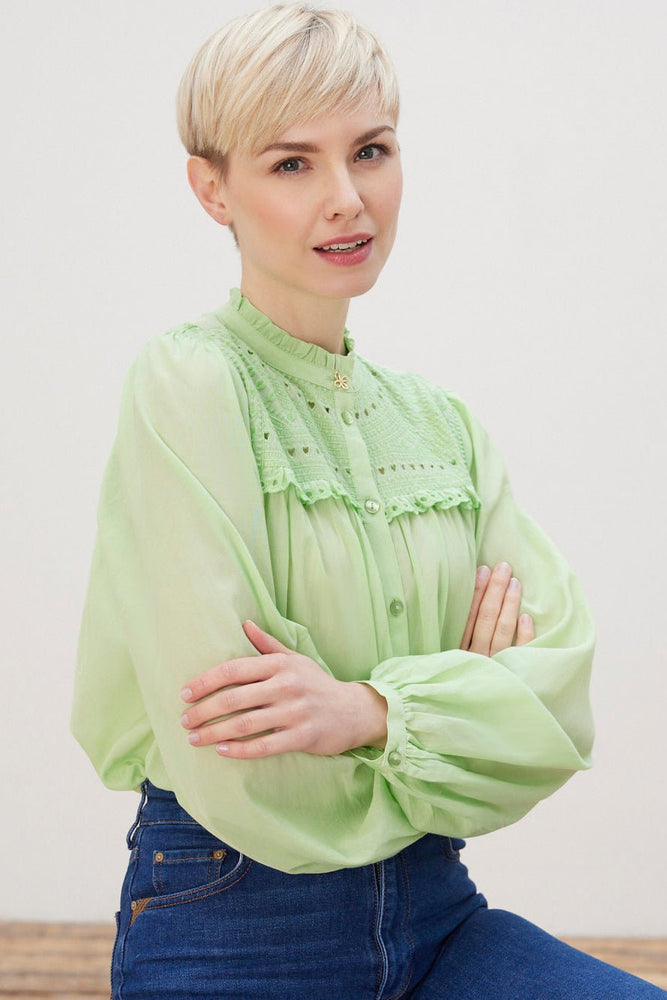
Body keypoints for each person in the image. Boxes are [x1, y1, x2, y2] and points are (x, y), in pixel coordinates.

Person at [70, 4, 665, 998]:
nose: (347, 200)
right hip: (238, 923)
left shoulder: (442, 426)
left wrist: (366, 708)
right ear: (212, 188)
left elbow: (555, 708)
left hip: (439, 917)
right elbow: (241, 750)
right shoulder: (187, 382)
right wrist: (458, 709)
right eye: (291, 163)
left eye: (370, 151)